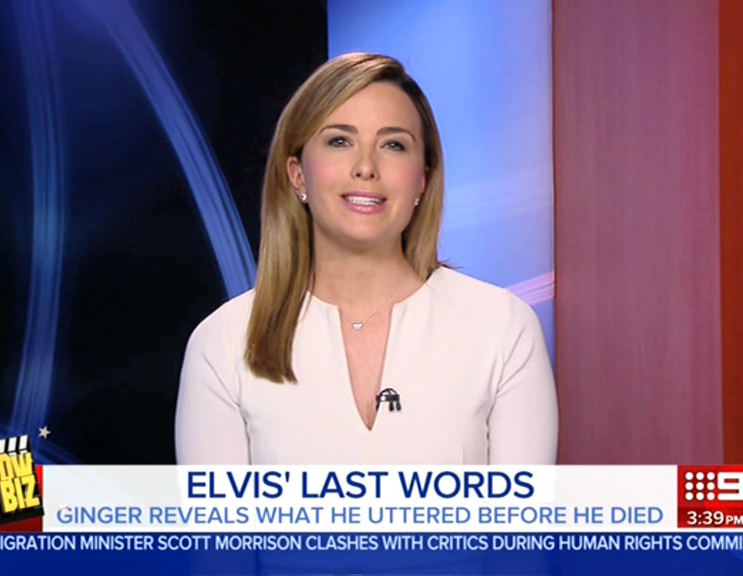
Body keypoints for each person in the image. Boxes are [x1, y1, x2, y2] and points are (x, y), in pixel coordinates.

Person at [175, 53, 557, 465]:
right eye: (340, 141)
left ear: (422, 179)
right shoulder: (224, 342)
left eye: (393, 145)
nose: (366, 167)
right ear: (298, 175)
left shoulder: (502, 328)